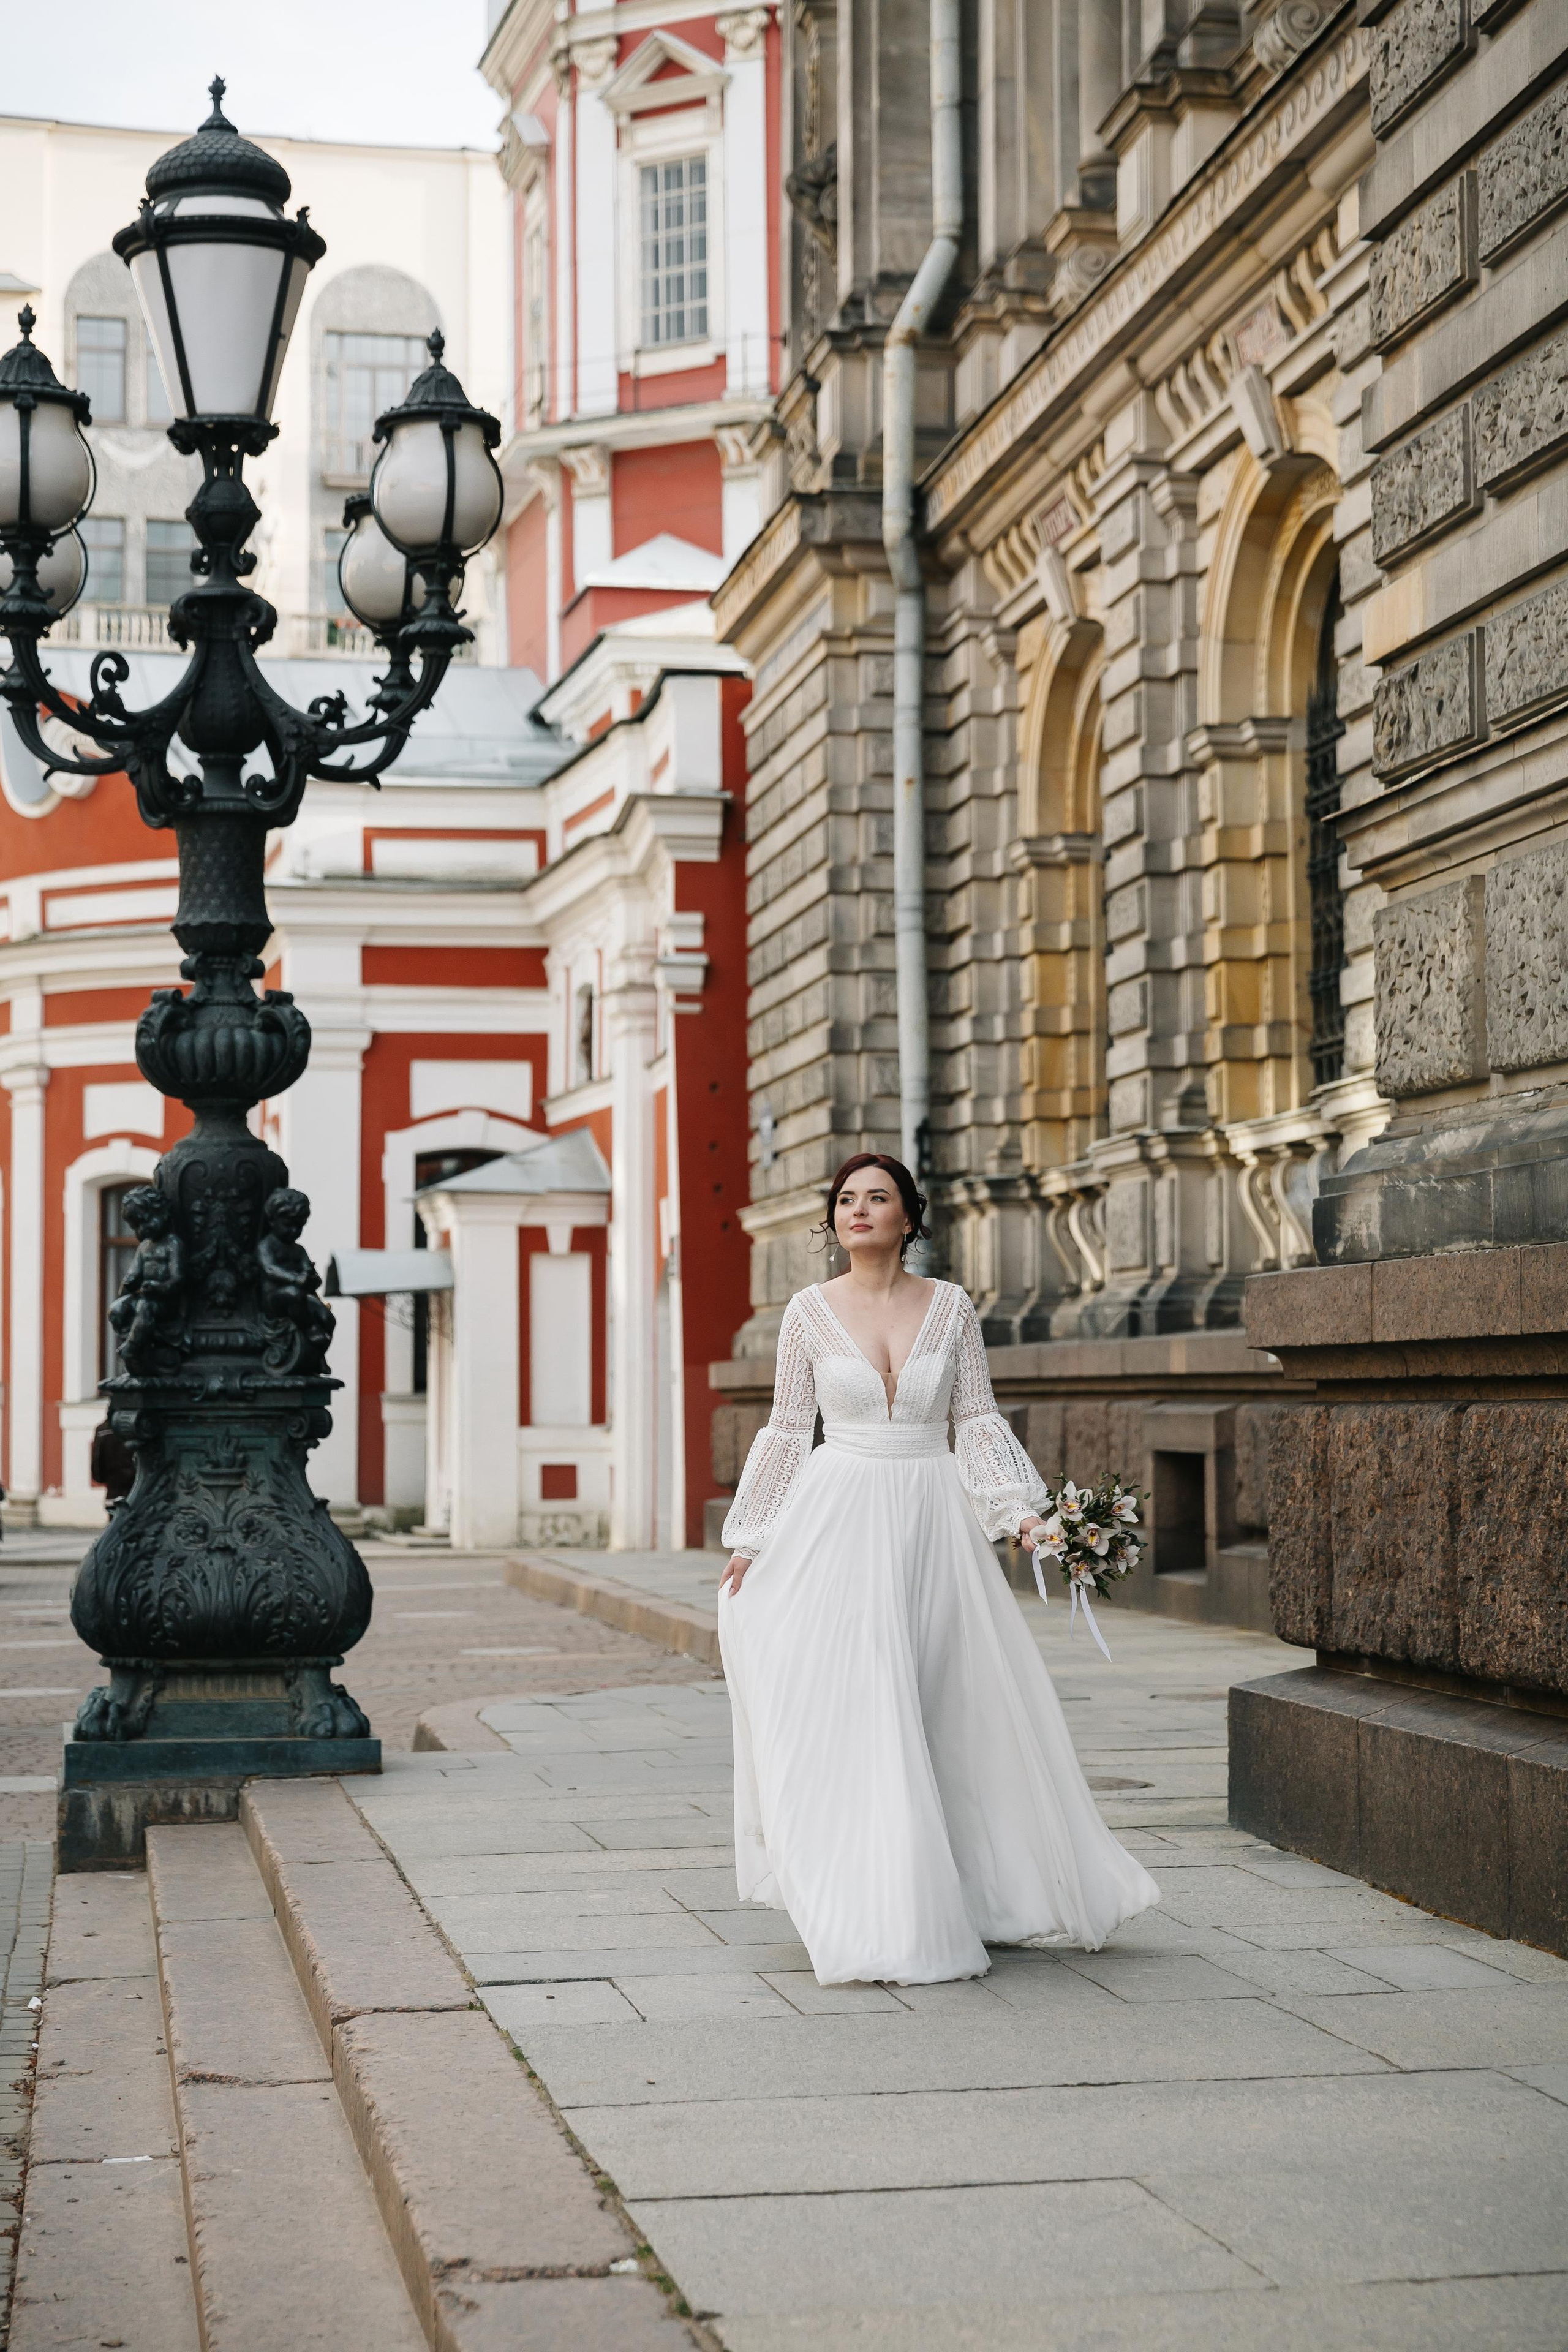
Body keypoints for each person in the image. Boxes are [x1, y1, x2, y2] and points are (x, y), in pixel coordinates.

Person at [718, 1153, 1160, 1986]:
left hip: (931, 1517)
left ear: (909, 1217)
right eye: (846, 1200)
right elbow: (785, 1430)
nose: (858, 1211)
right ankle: (871, 1900)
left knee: (948, 1702)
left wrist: (1025, 1517)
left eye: (876, 1198)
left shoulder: (951, 1307)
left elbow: (975, 1420)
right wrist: (752, 1540)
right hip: (838, 1519)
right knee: (865, 1705)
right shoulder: (807, 1312)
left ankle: (975, 1892)